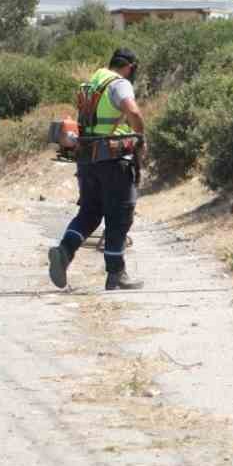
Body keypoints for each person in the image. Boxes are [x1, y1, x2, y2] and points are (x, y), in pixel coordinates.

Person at [48, 47, 147, 292]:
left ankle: (64, 251)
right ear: (130, 67)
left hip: (86, 158)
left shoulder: (93, 82)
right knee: (120, 214)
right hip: (113, 160)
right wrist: (140, 137)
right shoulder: (119, 83)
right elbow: (133, 111)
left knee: (91, 212)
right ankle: (116, 274)